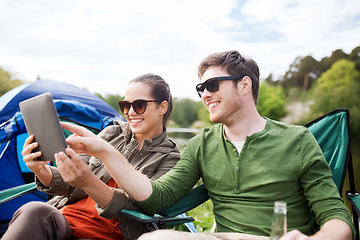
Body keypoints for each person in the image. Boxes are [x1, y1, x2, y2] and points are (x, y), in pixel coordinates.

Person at [56, 51, 354, 240]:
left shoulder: (298, 140)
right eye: (201, 88)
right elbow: (157, 197)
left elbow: (336, 217)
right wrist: (105, 150)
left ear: (245, 85)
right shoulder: (203, 144)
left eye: (212, 86)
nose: (205, 95)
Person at [2, 74, 180, 240]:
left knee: (35, 211)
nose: (131, 112)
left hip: (107, 233)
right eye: (125, 105)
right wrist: (40, 169)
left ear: (162, 107)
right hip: (64, 221)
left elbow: (138, 208)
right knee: (36, 212)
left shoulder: (169, 158)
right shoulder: (112, 134)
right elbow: (71, 186)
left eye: (139, 105)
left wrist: (88, 181)